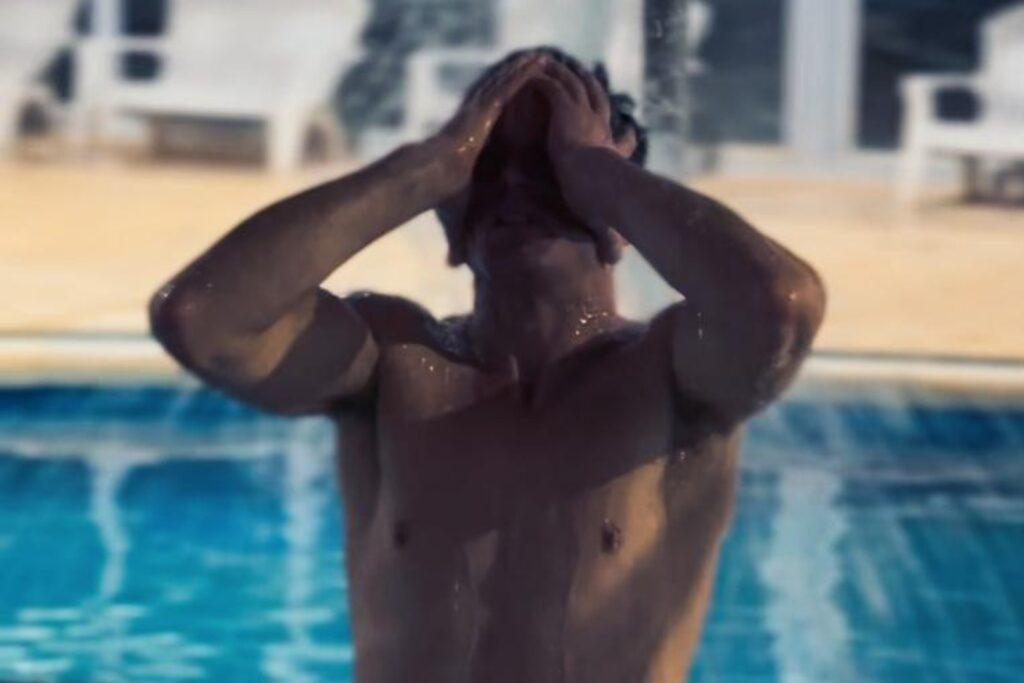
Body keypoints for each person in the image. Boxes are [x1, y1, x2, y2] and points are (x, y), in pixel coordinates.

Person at [149, 47, 825, 683]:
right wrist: (427, 168)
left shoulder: (670, 377)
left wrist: (600, 173)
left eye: (551, 166)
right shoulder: (390, 363)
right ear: (453, 212)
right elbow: (202, 319)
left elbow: (780, 305)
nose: (516, 188)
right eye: (488, 164)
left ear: (618, 210)